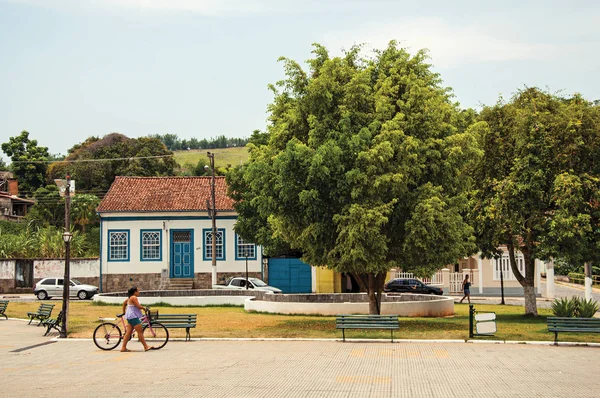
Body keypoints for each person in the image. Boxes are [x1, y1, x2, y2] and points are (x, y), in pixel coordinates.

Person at [121, 286, 154, 352]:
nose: (139, 292)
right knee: (140, 332)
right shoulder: (133, 297)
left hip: (130, 317)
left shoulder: (130, 298)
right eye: (138, 291)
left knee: (128, 333)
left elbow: (124, 304)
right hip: (133, 317)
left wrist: (124, 312)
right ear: (134, 292)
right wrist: (144, 308)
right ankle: (146, 346)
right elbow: (138, 306)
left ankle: (123, 347)